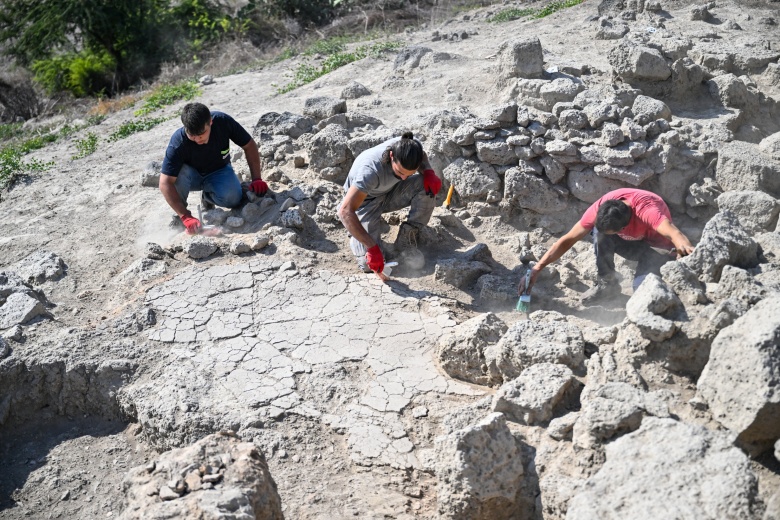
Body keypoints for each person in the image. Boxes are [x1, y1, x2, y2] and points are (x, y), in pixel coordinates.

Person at [524, 188, 695, 302]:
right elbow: (568, 239)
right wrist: (538, 267)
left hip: (658, 249)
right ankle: (608, 286)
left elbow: (675, 234)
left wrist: (688, 255)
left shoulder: (647, 210)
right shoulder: (602, 208)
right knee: (599, 234)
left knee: (641, 293)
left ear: (624, 228)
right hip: (633, 243)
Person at [337, 132, 442, 278]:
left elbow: (422, 156)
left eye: (409, 174)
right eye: (399, 172)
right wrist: (372, 248)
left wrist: (428, 171)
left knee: (426, 187)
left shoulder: (411, 147)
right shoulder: (370, 171)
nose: (404, 177)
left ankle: (406, 239)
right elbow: (345, 211)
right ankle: (358, 236)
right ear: (391, 155)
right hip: (365, 202)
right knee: (369, 265)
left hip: (391, 192)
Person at [159, 102, 268, 234]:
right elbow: (164, 183)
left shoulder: (223, 122)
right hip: (191, 177)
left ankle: (207, 197)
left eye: (202, 134)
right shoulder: (178, 142)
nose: (198, 139)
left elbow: (249, 145)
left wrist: (256, 178)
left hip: (219, 171)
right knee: (176, 175)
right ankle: (180, 218)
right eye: (192, 136)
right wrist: (185, 216)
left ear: (210, 122)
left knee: (234, 199)